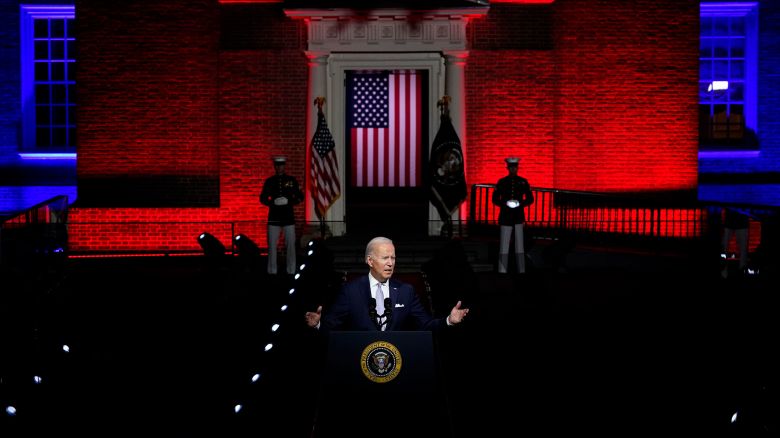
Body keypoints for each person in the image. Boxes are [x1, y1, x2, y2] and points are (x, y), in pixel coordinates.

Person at [305, 236, 469, 331]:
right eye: (385, 258)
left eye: (393, 258)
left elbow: (426, 324)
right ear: (370, 260)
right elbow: (332, 324)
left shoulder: (406, 291)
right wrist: (317, 323)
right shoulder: (350, 290)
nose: (390, 263)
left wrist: (448, 320)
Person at [260, 156, 303, 275]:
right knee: (272, 246)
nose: (279, 167)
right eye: (277, 165)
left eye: (281, 165)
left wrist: (289, 201)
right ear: (275, 166)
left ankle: (291, 270)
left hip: (288, 217)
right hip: (274, 217)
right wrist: (272, 202)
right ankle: (272, 271)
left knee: (290, 246)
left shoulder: (291, 180)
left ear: (284, 166)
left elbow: (300, 197)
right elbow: (262, 198)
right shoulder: (270, 181)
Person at [492, 157, 534, 274]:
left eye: (515, 167)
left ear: (517, 168)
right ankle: (502, 270)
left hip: (518, 215)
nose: (513, 169)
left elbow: (530, 199)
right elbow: (494, 199)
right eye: (511, 167)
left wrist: (520, 203)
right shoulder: (502, 182)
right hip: (505, 215)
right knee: (504, 244)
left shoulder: (523, 182)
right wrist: (505, 203)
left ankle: (521, 269)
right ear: (508, 168)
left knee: (519, 244)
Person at [721, 207, 750, 278]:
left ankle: (742, 271)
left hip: (741, 221)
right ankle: (723, 270)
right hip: (731, 220)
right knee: (724, 247)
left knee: (743, 250)